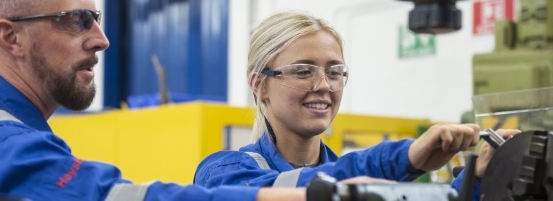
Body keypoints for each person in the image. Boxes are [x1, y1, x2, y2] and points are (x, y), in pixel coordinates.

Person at [0, 0, 321, 200]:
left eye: (96, 18)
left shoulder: (15, 133)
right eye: (75, 20)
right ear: (10, 37)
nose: (101, 39)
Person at [193, 11, 520, 198]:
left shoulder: (352, 173)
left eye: (334, 72)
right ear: (259, 84)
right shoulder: (224, 173)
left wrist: (476, 178)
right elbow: (310, 190)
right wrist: (401, 157)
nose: (323, 86)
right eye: (304, 71)